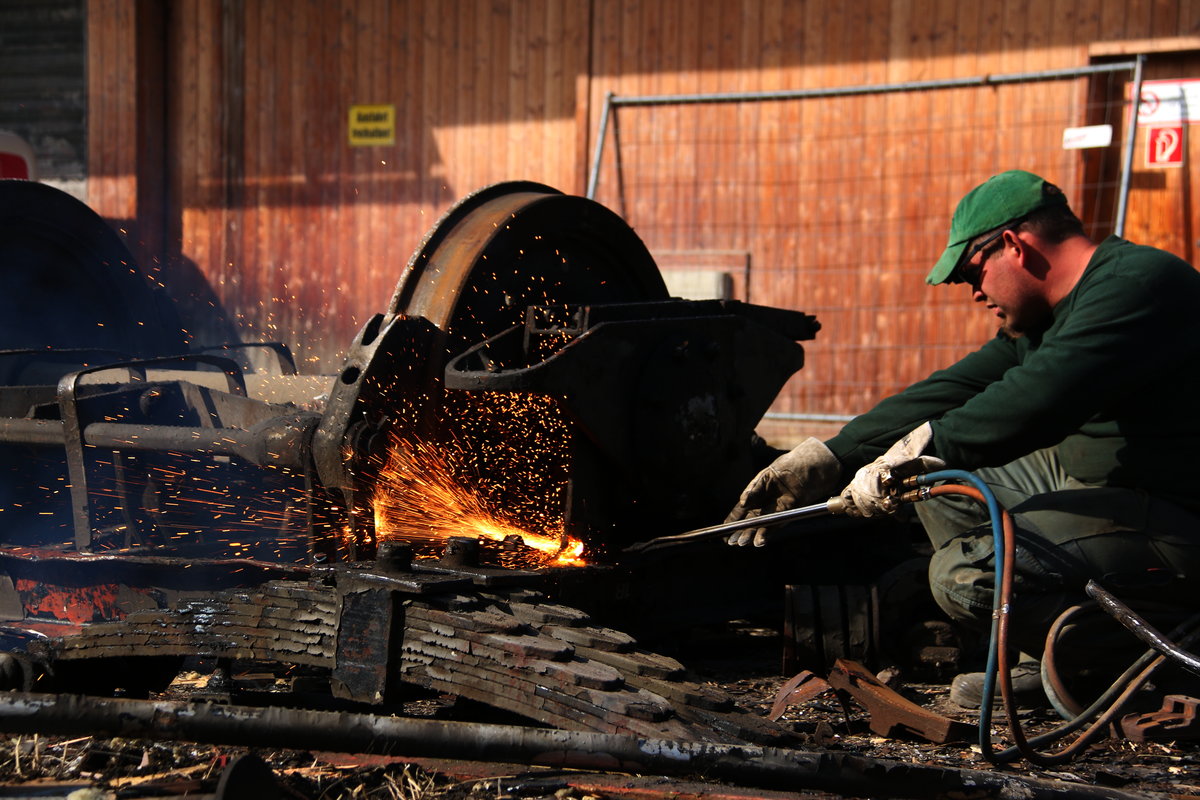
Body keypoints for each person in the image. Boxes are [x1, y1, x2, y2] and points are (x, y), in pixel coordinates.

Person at [727, 170, 1200, 707]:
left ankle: (1134, 657)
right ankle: (1034, 652)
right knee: (935, 485)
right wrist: (832, 456)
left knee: (962, 576)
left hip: (1176, 518)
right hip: (1110, 490)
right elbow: (954, 389)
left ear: (1013, 245)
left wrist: (908, 457)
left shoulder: (1138, 286)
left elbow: (1034, 402)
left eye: (973, 274)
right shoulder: (1052, 316)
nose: (975, 293)